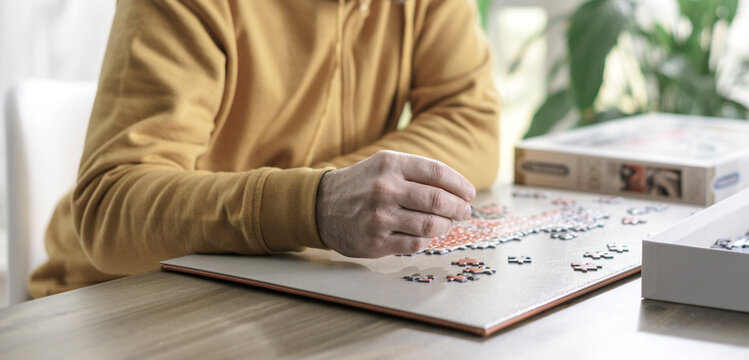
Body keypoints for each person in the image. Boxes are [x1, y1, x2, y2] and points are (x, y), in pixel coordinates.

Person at [28, 0, 499, 297]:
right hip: (120, 298)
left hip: (292, 284)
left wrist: (326, 197)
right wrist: (314, 203)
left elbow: (473, 124)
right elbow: (111, 206)